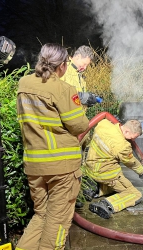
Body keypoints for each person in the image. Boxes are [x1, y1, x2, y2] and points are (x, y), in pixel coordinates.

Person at [10, 43, 89, 250]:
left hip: (34, 165)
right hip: (61, 167)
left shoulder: (24, 84)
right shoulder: (63, 88)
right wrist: (81, 104)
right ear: (63, 65)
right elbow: (79, 126)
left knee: (41, 213)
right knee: (58, 218)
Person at [84, 119, 143, 219]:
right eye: (134, 137)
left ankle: (95, 189)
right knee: (135, 194)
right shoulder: (123, 146)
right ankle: (106, 205)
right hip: (106, 174)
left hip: (89, 167)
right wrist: (142, 172)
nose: (133, 140)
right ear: (127, 131)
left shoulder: (103, 124)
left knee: (115, 188)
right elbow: (131, 162)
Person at [61, 45, 99, 209]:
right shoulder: (64, 69)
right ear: (78, 56)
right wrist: (82, 97)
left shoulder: (79, 74)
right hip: (69, 128)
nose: (85, 67)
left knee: (78, 164)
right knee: (70, 165)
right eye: (85, 63)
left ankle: (75, 194)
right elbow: (63, 96)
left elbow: (78, 98)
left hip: (79, 127)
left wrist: (89, 100)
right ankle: (69, 198)